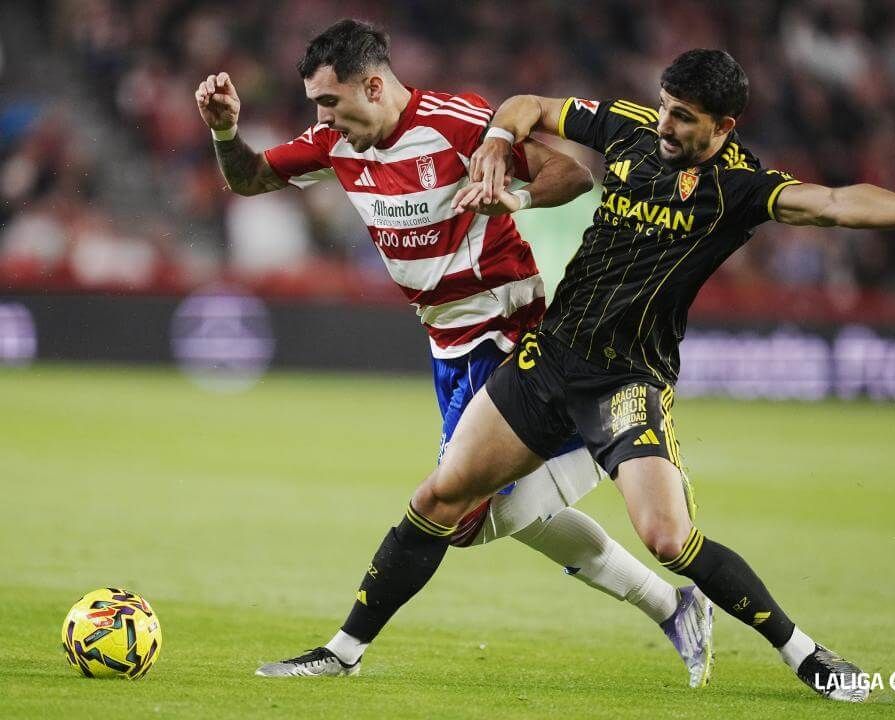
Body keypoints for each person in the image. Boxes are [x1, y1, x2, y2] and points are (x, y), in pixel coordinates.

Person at [267, 47, 895, 702]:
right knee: (440, 499)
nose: (665, 126)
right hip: (548, 358)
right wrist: (498, 142)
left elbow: (834, 204)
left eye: (685, 118)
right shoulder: (627, 126)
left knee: (668, 539)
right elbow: (531, 107)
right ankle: (344, 652)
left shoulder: (741, 188)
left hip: (628, 383)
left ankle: (807, 654)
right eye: (665, 108)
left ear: (724, 128)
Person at [194, 20, 714, 686]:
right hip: (449, 348)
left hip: (509, 335)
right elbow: (250, 178)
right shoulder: (337, 144)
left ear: (375, 85)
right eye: (315, 105)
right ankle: (674, 603)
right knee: (494, 516)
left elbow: (572, 174)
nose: (321, 118)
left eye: (330, 102)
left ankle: (343, 650)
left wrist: (510, 196)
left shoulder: (458, 124)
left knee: (449, 506)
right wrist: (224, 132)